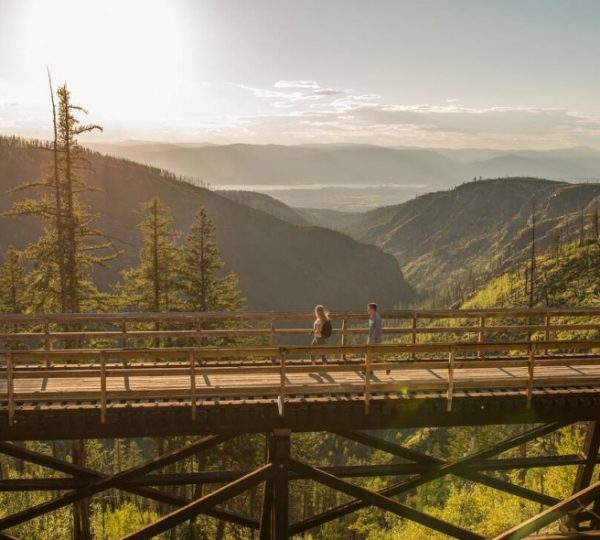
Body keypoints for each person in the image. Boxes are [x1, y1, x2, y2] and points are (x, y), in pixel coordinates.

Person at [367, 302, 387, 373]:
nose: (368, 310)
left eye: (369, 309)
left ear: (373, 310)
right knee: (369, 354)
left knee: (373, 355)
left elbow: (376, 330)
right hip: (371, 338)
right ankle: (369, 370)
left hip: (375, 339)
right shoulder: (371, 317)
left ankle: (386, 366)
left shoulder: (377, 319)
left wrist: (371, 340)